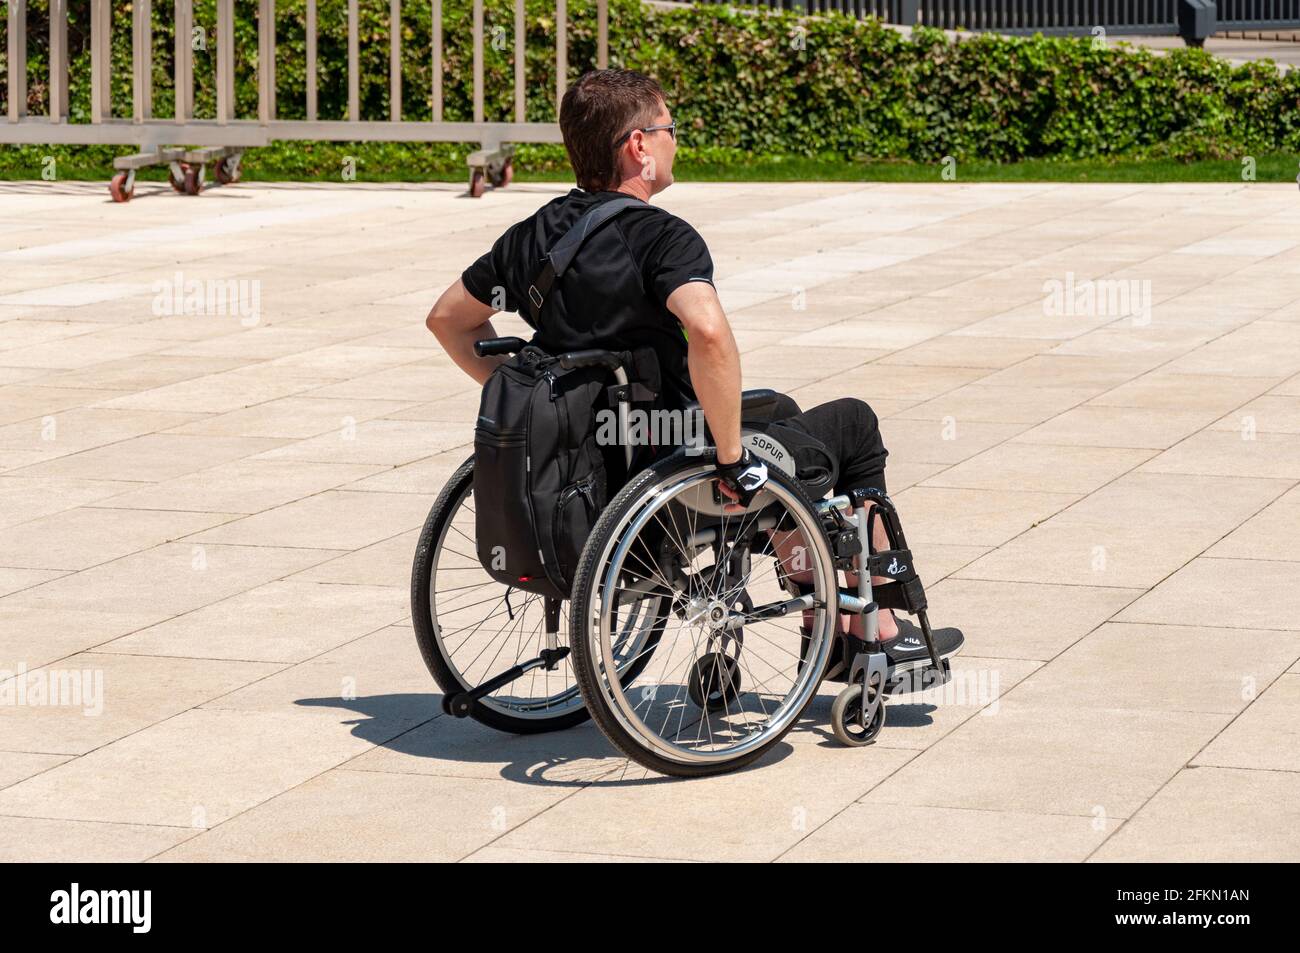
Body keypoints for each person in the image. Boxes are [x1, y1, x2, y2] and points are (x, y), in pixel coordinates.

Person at [425, 68, 962, 667]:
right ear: (638, 146)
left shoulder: (533, 236)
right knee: (852, 426)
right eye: (668, 129)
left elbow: (448, 320)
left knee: (777, 410)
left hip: (587, 463)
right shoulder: (661, 238)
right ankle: (873, 626)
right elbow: (707, 332)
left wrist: (537, 406)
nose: (674, 141)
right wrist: (732, 459)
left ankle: (817, 597)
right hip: (671, 469)